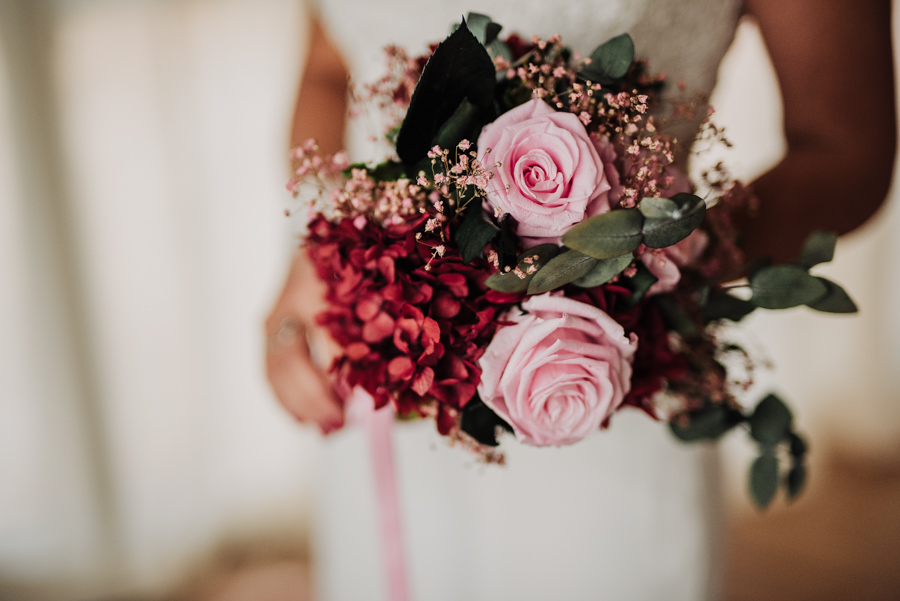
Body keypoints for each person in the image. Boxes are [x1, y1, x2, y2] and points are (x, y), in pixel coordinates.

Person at [266, 1, 895, 599]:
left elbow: (845, 148)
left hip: (599, 378)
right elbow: (326, 74)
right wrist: (315, 258)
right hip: (391, 358)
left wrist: (643, 264)